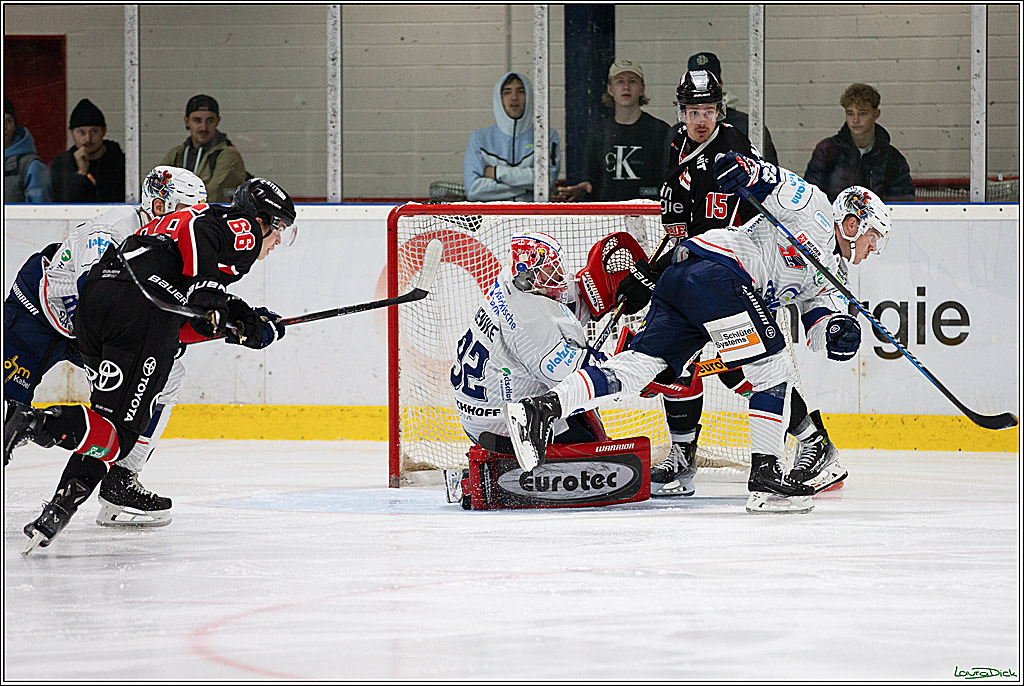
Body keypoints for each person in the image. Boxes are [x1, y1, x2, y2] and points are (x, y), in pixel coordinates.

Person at [505, 154, 892, 515]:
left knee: (638, 367)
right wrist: (743, 167)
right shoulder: (814, 206)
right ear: (854, 222)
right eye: (873, 236)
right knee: (773, 371)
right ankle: (767, 482)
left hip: (688, 280)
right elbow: (768, 179)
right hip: (718, 270)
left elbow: (819, 323)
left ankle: (541, 410)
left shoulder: (833, 278)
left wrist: (838, 332)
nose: (874, 248)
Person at [4, 177, 297, 553]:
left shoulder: (160, 234)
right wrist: (211, 301)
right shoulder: (119, 231)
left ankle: (101, 487)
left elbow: (172, 306)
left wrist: (236, 321)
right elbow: (152, 293)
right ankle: (37, 423)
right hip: (40, 318)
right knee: (112, 421)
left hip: (98, 322)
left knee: (152, 390)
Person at [617, 68, 844, 499]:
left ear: (720, 110)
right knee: (681, 363)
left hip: (735, 277)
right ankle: (684, 454)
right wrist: (653, 272)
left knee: (742, 368)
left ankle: (813, 441)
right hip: (700, 271)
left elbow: (740, 216)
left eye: (707, 110)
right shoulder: (678, 145)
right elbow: (682, 230)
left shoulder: (733, 145)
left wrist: (656, 273)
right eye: (692, 110)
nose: (700, 119)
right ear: (680, 112)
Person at [3, 166, 206, 528]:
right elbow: (88, 298)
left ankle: (121, 480)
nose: (192, 220)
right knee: (8, 409)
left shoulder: (171, 243)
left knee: (166, 375)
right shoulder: (113, 229)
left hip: (92, 330)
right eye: (185, 210)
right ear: (159, 204)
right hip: (37, 317)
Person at [452, 232, 606, 449]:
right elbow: (576, 379)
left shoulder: (509, 280)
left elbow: (554, 307)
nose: (560, 275)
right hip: (505, 426)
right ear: (529, 275)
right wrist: (620, 362)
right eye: (552, 270)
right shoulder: (529, 321)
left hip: (477, 417)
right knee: (583, 413)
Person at [557, 60, 671, 202]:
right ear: (610, 89)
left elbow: (668, 182)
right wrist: (585, 190)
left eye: (632, 81)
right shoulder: (598, 133)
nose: (626, 87)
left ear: (642, 89)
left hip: (649, 216)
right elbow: (593, 183)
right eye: (619, 81)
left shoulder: (660, 131)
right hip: (609, 217)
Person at [803, 83, 915, 203]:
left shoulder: (892, 159)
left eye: (862, 113)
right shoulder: (827, 151)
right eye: (850, 113)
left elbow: (902, 203)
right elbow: (810, 197)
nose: (855, 120)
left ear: (876, 114)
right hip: (834, 220)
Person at [464, 71, 561, 202]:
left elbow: (546, 181)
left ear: (530, 96)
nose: (514, 97)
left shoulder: (547, 136)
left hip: (534, 220)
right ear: (499, 98)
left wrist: (497, 172)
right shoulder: (479, 139)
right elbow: (474, 190)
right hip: (492, 220)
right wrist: (527, 186)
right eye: (507, 92)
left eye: (521, 91)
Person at [682, 52, 779, 165]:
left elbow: (771, 177)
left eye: (710, 85)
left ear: (721, 85)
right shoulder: (677, 135)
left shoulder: (748, 126)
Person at [160, 94, 248, 203]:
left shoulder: (228, 155)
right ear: (187, 121)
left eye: (210, 121)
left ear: (217, 121)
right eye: (197, 120)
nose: (203, 127)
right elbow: (157, 188)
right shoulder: (177, 154)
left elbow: (212, 195)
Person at [50, 98, 126, 203]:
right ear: (72, 133)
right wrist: (81, 173)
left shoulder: (119, 161)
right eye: (81, 132)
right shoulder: (62, 163)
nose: (88, 139)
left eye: (94, 131)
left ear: (104, 131)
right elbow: (62, 204)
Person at [4, 95, 51, 203]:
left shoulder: (31, 166)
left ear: (15, 126)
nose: (4, 127)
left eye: (8, 121)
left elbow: (38, 212)